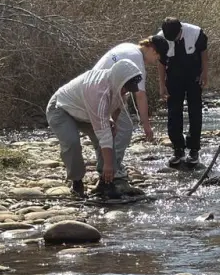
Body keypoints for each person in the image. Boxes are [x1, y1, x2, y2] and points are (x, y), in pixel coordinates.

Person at [46, 58, 144, 199]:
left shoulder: (120, 86)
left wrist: (113, 122)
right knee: (72, 142)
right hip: (61, 108)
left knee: (109, 133)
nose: (125, 91)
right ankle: (77, 183)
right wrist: (109, 165)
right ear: (119, 81)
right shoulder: (98, 91)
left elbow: (117, 107)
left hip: (85, 111)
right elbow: (103, 135)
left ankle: (105, 183)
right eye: (125, 88)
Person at [91, 38, 162, 196]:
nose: (156, 61)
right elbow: (140, 96)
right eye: (158, 58)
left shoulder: (128, 47)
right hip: (102, 93)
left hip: (92, 88)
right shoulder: (137, 62)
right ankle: (112, 172)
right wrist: (146, 126)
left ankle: (107, 167)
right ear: (152, 50)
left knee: (108, 130)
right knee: (124, 129)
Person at [153, 17, 209, 167]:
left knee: (195, 112)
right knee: (173, 112)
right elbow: (161, 62)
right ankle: (178, 149)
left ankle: (194, 150)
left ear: (180, 30)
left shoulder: (196, 33)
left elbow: (203, 52)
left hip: (193, 77)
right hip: (173, 78)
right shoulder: (161, 39)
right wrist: (161, 85)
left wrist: (205, 73)